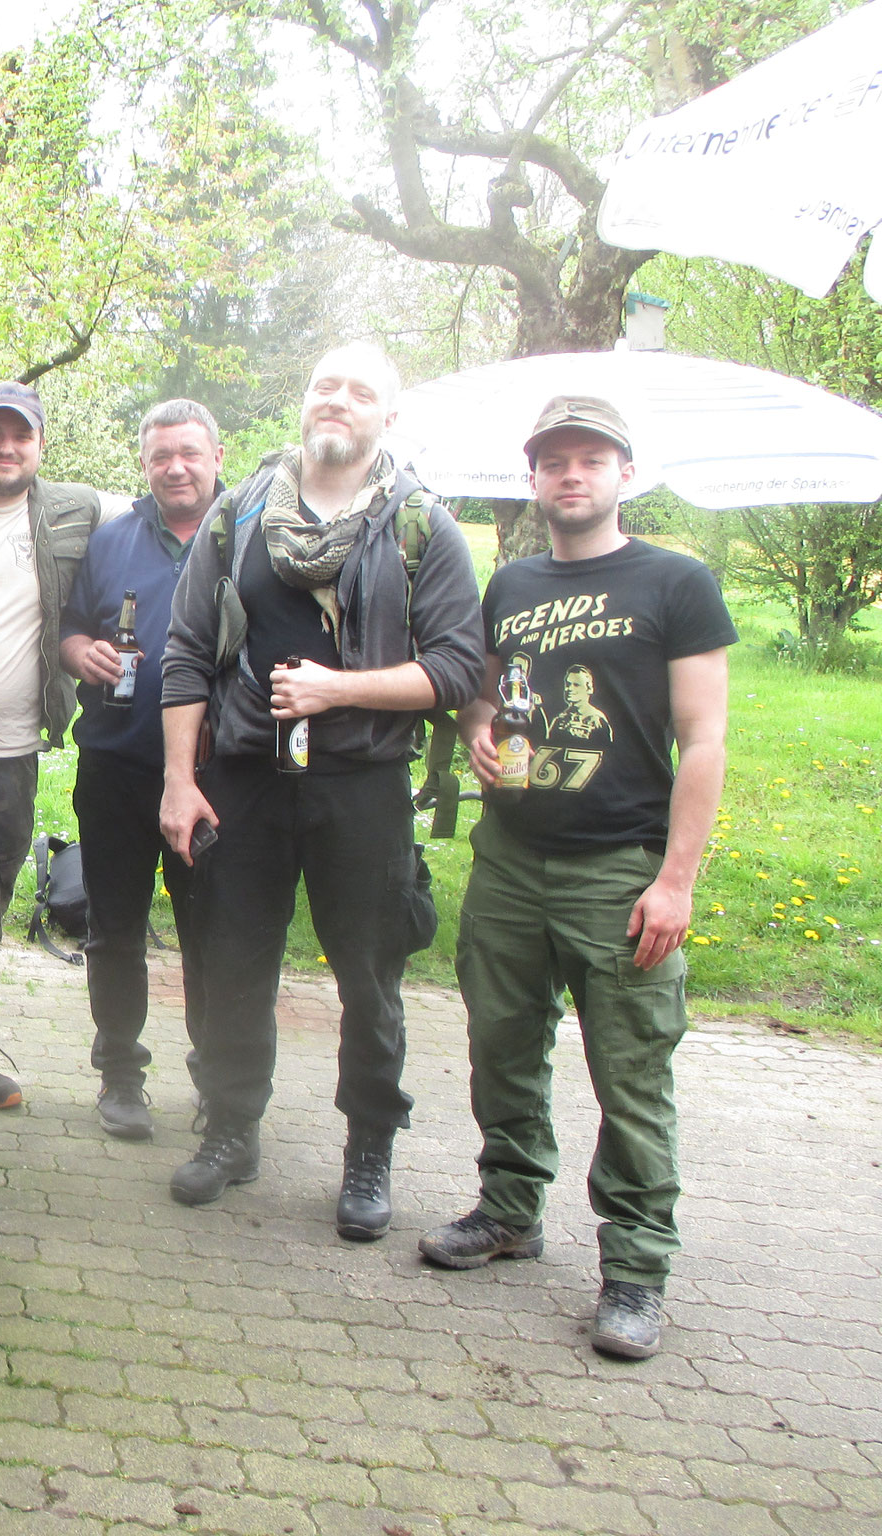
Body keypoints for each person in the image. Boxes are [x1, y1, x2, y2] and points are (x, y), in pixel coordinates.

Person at [420, 395, 734, 1361]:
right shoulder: (508, 584)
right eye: (554, 461)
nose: (571, 475)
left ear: (623, 474)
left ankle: (636, 1270)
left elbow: (705, 737)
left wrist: (677, 880)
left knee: (629, 1072)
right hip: (511, 859)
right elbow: (477, 698)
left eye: (590, 459)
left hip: (619, 866)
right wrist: (475, 731)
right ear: (533, 479)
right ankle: (509, 1209)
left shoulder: (677, 582)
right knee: (501, 1045)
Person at [159, 342, 486, 1239]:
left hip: (361, 785)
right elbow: (186, 653)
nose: (338, 401)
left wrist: (340, 690)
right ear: (303, 404)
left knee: (369, 977)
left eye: (361, 392)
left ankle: (369, 1153)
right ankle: (230, 1131)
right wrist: (180, 782)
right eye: (324, 386)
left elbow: (459, 667)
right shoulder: (240, 513)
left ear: (389, 417)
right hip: (243, 781)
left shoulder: (422, 527)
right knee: (231, 965)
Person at [59, 400, 224, 1142]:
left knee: (213, 934)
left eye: (189, 453)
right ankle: (120, 1073)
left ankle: (220, 1085)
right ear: (144, 464)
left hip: (219, 776)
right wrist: (80, 653)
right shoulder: (112, 538)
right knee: (115, 927)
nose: (176, 468)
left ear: (217, 456)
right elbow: (69, 627)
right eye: (161, 456)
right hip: (116, 763)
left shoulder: (247, 534)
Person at [0, 381, 101, 1114]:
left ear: (40, 445)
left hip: (7, 756)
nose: (6, 447)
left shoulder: (71, 514)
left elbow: (171, 509)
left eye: (21, 436)